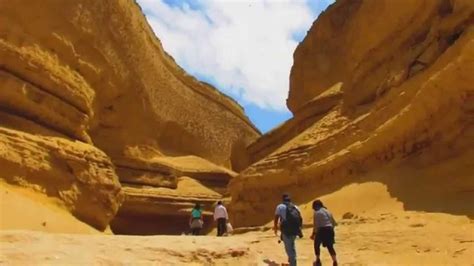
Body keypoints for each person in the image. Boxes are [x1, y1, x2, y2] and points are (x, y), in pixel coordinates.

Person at [274, 193, 303, 266]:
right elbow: (300, 219)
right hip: (295, 230)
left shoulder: (280, 207)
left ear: (283, 200)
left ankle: (293, 263)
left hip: (286, 230)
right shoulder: (295, 207)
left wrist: (275, 228)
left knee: (288, 248)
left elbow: (276, 218)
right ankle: (291, 260)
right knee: (292, 245)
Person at [311, 200, 338, 266]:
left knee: (316, 244)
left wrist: (313, 234)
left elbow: (316, 225)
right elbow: (334, 223)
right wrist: (330, 230)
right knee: (330, 246)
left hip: (321, 230)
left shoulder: (316, 212)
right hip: (330, 229)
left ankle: (318, 260)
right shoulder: (328, 211)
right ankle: (335, 261)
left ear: (316, 206)